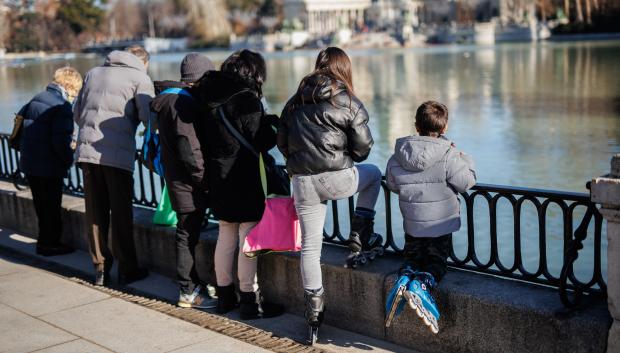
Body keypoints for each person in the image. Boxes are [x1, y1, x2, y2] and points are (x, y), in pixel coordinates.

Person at [277, 47, 383, 343]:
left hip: (303, 182)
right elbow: (363, 151)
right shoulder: (348, 101)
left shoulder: (294, 102)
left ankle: (313, 310)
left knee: (311, 247)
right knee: (374, 175)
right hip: (337, 179)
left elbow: (282, 143)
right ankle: (360, 233)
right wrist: (341, 154)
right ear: (344, 69)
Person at [193, 49, 284, 319]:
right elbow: (263, 139)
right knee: (248, 238)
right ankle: (249, 300)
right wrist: (269, 121)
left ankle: (224, 296)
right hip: (243, 176)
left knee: (226, 235)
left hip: (218, 177)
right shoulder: (246, 99)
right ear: (253, 73)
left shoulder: (207, 98)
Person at [384, 101, 476, 334]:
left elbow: (393, 184)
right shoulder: (449, 153)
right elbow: (465, 182)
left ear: (416, 126)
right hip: (440, 224)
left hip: (413, 222)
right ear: (444, 129)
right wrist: (466, 159)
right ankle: (421, 286)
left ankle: (404, 278)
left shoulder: (399, 154)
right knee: (436, 263)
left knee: (413, 258)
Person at [74, 46, 154, 286]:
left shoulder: (93, 73)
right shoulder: (140, 78)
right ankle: (127, 269)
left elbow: (77, 113)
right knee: (120, 213)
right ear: (144, 62)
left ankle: (100, 269)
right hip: (118, 156)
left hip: (87, 152)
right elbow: (148, 119)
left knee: (95, 213)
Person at [151, 53, 217, 309]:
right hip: (187, 182)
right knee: (187, 233)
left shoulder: (169, 99)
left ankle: (192, 283)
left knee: (187, 231)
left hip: (176, 177)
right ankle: (187, 291)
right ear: (199, 79)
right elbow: (189, 148)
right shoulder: (182, 105)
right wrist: (204, 180)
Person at [18, 66, 83, 256]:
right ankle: (51, 244)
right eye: (76, 91)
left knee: (41, 206)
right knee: (52, 207)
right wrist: (69, 159)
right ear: (70, 86)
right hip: (48, 164)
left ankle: (43, 242)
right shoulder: (61, 107)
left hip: (31, 162)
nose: (76, 95)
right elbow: (60, 140)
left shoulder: (36, 98)